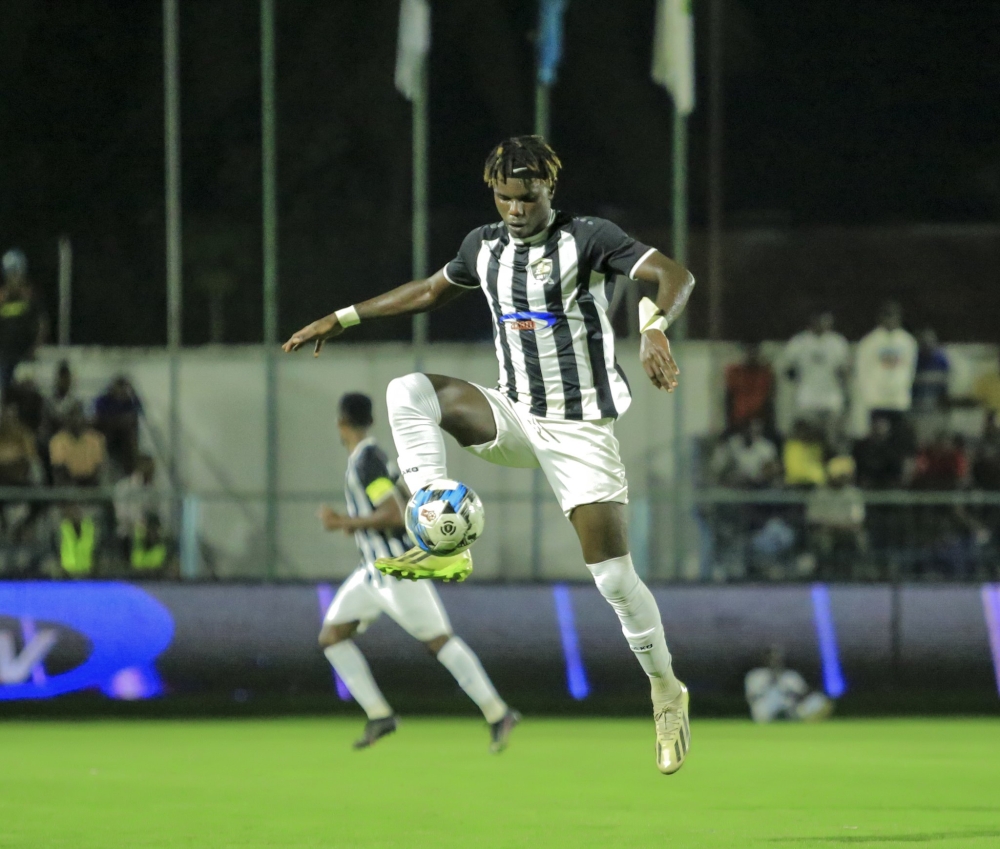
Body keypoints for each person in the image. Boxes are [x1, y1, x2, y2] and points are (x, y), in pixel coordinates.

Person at [284, 136, 694, 774]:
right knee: (408, 390)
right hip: (512, 415)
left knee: (613, 579)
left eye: (526, 197)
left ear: (549, 191)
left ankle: (665, 691)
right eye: (504, 197)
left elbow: (675, 275)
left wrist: (652, 327)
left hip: (581, 430)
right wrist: (343, 317)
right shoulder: (483, 247)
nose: (514, 208)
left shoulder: (588, 238)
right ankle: (436, 514)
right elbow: (426, 293)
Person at [317, 393, 517, 752]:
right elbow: (404, 496)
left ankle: (498, 712)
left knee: (440, 642)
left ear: (340, 423)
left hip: (395, 570)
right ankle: (380, 715)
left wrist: (344, 522)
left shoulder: (366, 461)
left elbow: (392, 512)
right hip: (371, 573)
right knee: (332, 636)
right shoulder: (372, 458)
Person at [779, 312, 849, 444]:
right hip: (807, 401)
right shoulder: (799, 342)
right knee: (808, 442)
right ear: (813, 320)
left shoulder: (837, 342)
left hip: (831, 401)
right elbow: (787, 369)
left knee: (830, 443)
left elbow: (844, 371)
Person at [854, 301, 918, 435]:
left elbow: (910, 370)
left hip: (898, 399)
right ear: (880, 318)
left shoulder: (907, 341)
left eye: (893, 316)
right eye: (887, 316)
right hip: (877, 400)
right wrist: (868, 395)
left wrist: (900, 387)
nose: (890, 320)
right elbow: (862, 371)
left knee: (897, 436)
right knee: (878, 437)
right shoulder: (870, 341)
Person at [0, 249, 46, 402]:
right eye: (10, 274)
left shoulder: (29, 296)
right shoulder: (2, 297)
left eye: (16, 273)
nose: (13, 278)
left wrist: (35, 347)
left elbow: (41, 323)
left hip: (24, 355)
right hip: (5, 356)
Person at [744, 645, 834, 723]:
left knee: (818, 699)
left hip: (789, 707)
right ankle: (777, 717)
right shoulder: (755, 675)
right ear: (765, 659)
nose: (774, 660)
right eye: (771, 657)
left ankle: (798, 718)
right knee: (766, 703)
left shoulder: (790, 675)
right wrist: (770, 685)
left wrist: (791, 693)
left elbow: (803, 693)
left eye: (777, 657)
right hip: (767, 705)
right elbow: (752, 697)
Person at [93, 376, 142, 477]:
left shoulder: (128, 401)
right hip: (108, 432)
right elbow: (100, 415)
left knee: (130, 424)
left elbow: (139, 410)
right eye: (118, 387)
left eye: (123, 387)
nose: (120, 390)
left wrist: (132, 393)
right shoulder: (104, 400)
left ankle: (130, 468)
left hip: (124, 436)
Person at [710, 418, 781, 488]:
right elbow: (717, 467)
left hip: (760, 487)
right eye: (749, 429)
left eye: (756, 431)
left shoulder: (766, 447)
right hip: (735, 487)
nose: (751, 433)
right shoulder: (732, 444)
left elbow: (772, 469)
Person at [49, 402, 107, 487]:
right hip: (69, 484)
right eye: (71, 415)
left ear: (83, 418)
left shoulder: (96, 439)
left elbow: (99, 466)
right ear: (66, 419)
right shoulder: (57, 440)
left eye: (78, 415)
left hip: (91, 483)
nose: (75, 419)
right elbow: (60, 468)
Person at [724, 344, 775, 435]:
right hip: (738, 422)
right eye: (749, 352)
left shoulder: (764, 374)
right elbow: (728, 400)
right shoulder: (735, 373)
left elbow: (769, 401)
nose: (751, 355)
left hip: (759, 422)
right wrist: (729, 425)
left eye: (754, 352)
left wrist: (769, 425)